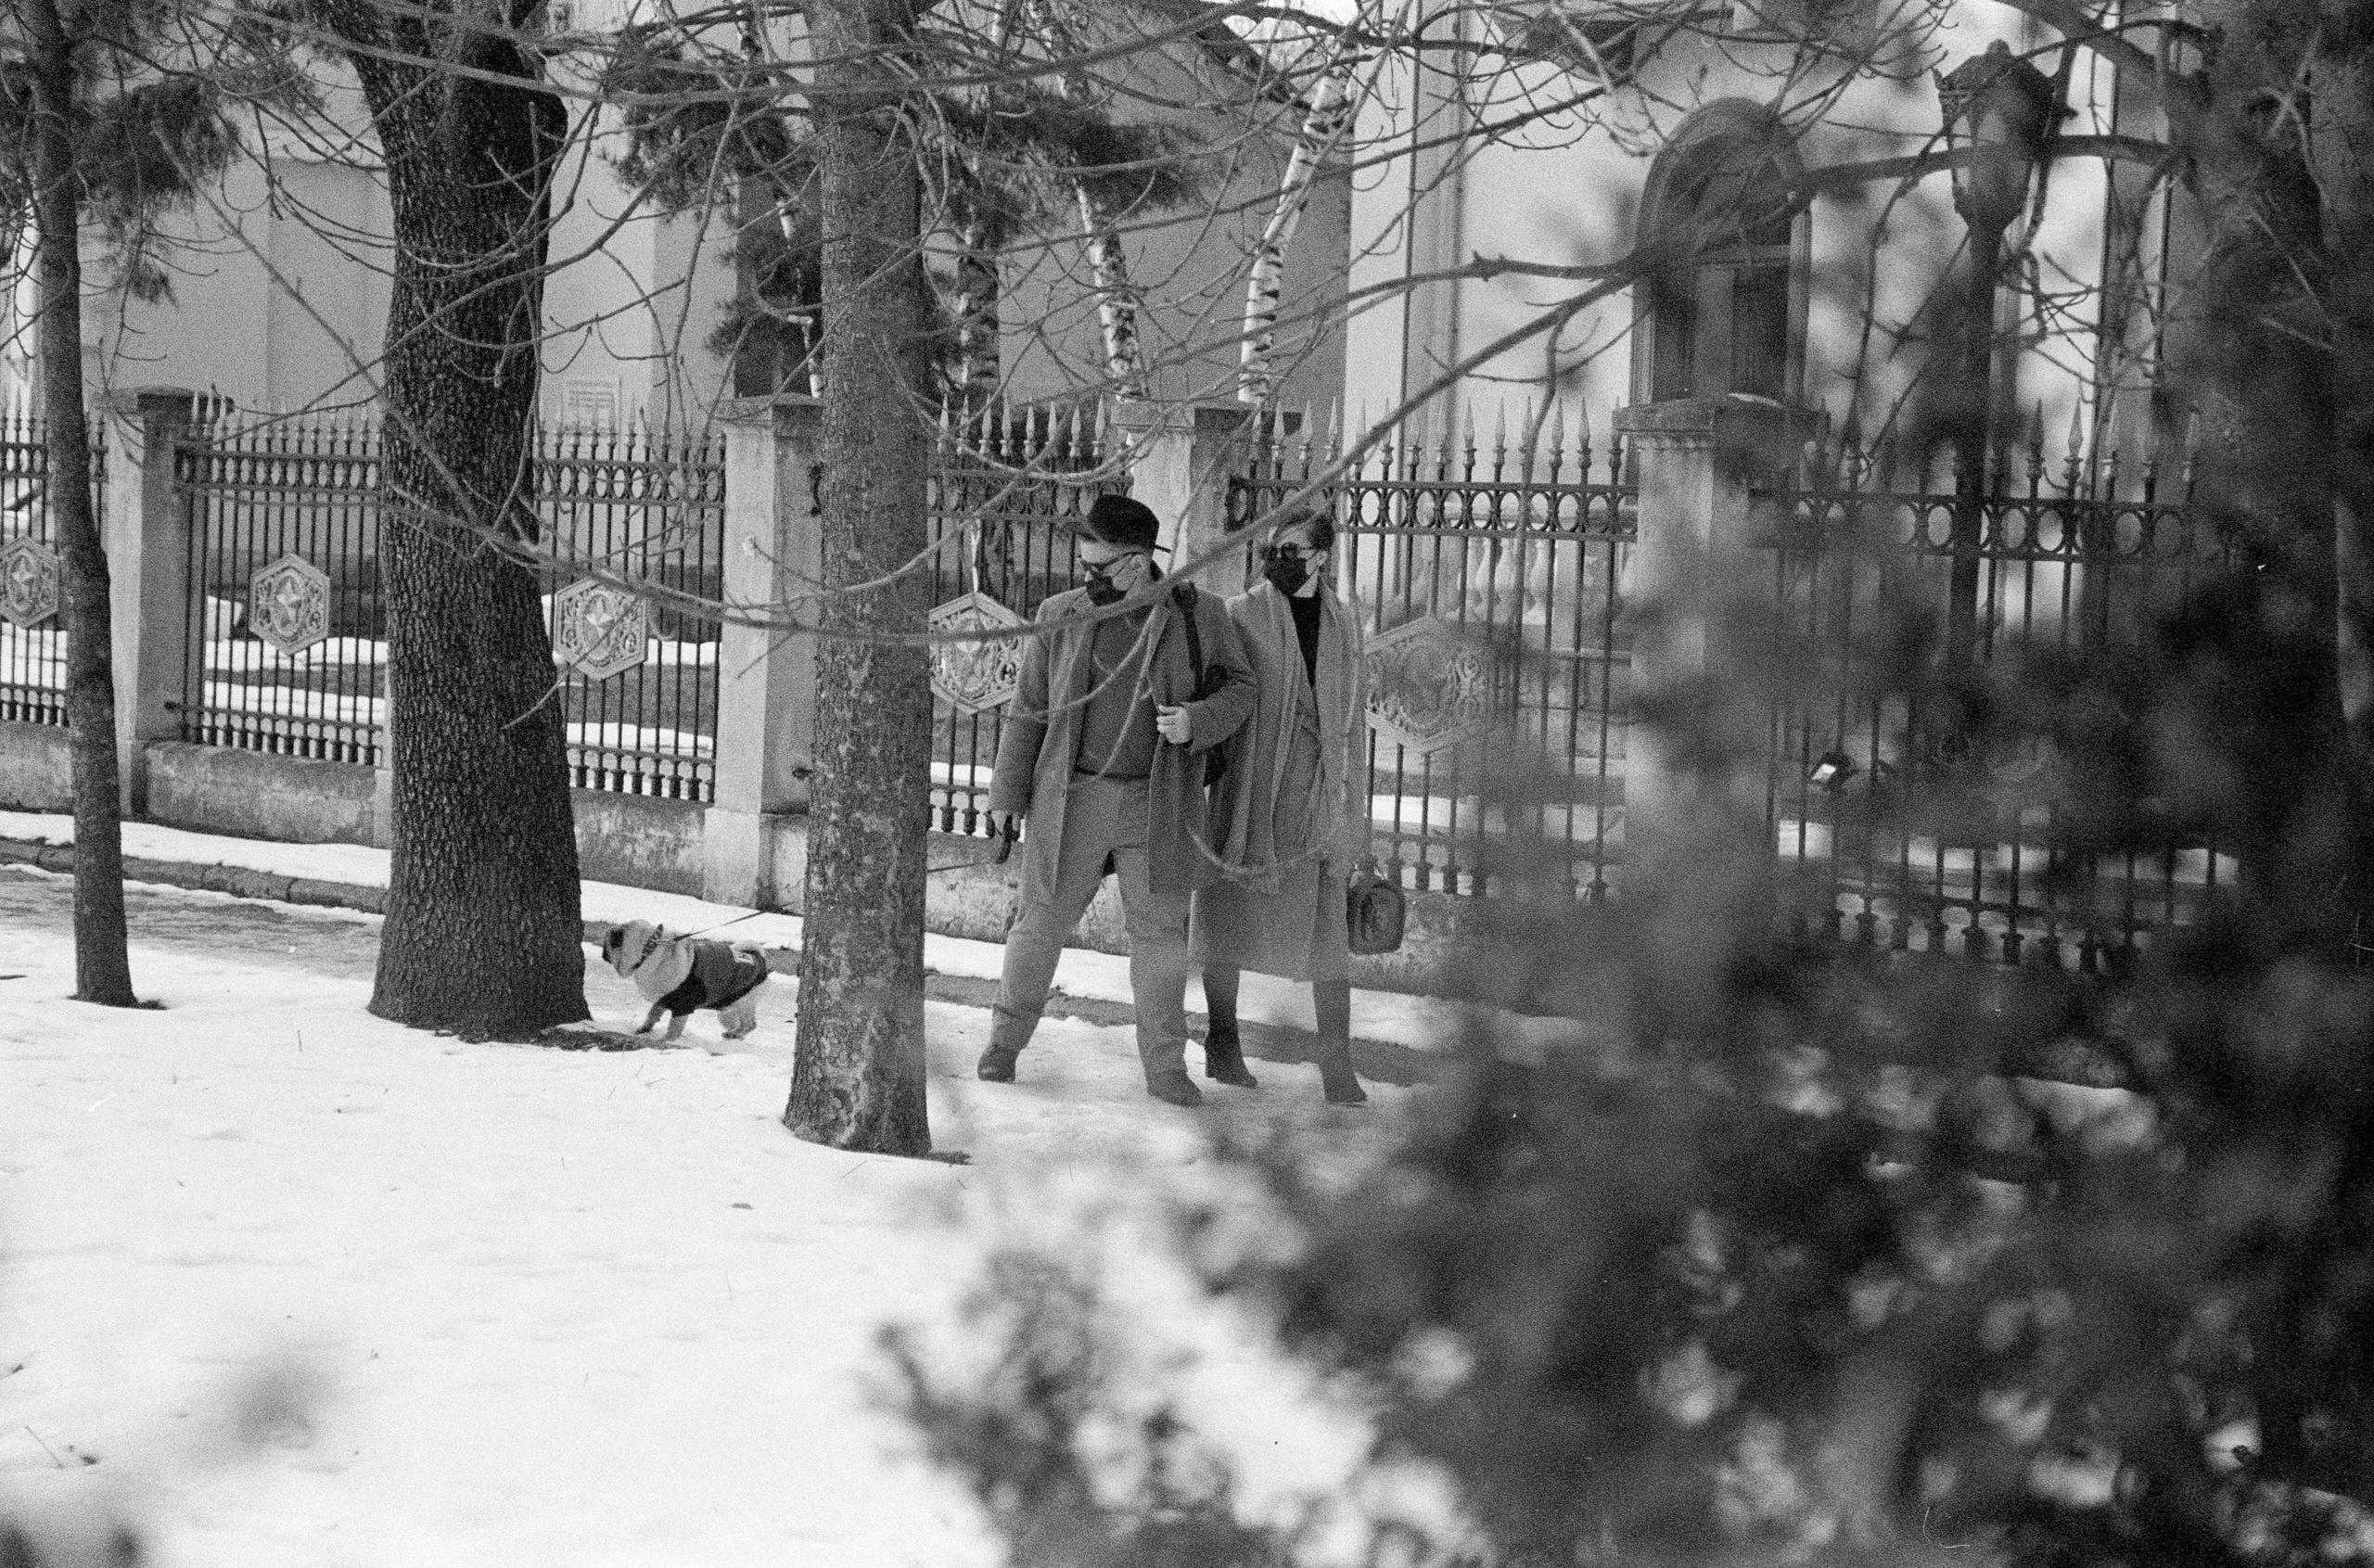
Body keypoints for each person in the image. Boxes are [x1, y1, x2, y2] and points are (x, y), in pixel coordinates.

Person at [975, 494, 1257, 1106]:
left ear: (1137, 562)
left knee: (1159, 936)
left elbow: (1242, 686)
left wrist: (1197, 720)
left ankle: (1165, 1069)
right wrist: (1006, 793)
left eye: (1100, 569)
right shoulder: (1061, 613)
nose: (1087, 578)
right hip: (1073, 796)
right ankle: (1004, 1041)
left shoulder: (1196, 613)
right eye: (1083, 565)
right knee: (1038, 923)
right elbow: (1027, 712)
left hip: (1157, 804)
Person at [1192, 510, 1371, 1104]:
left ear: (1321, 556)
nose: (1275, 557)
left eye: (1289, 549)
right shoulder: (1242, 614)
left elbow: (1350, 726)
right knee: (1228, 919)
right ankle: (1222, 1042)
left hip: (1318, 800)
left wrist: (1355, 812)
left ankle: (1336, 1065)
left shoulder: (1345, 625)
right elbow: (1220, 695)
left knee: (1328, 935)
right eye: (1271, 547)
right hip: (1251, 794)